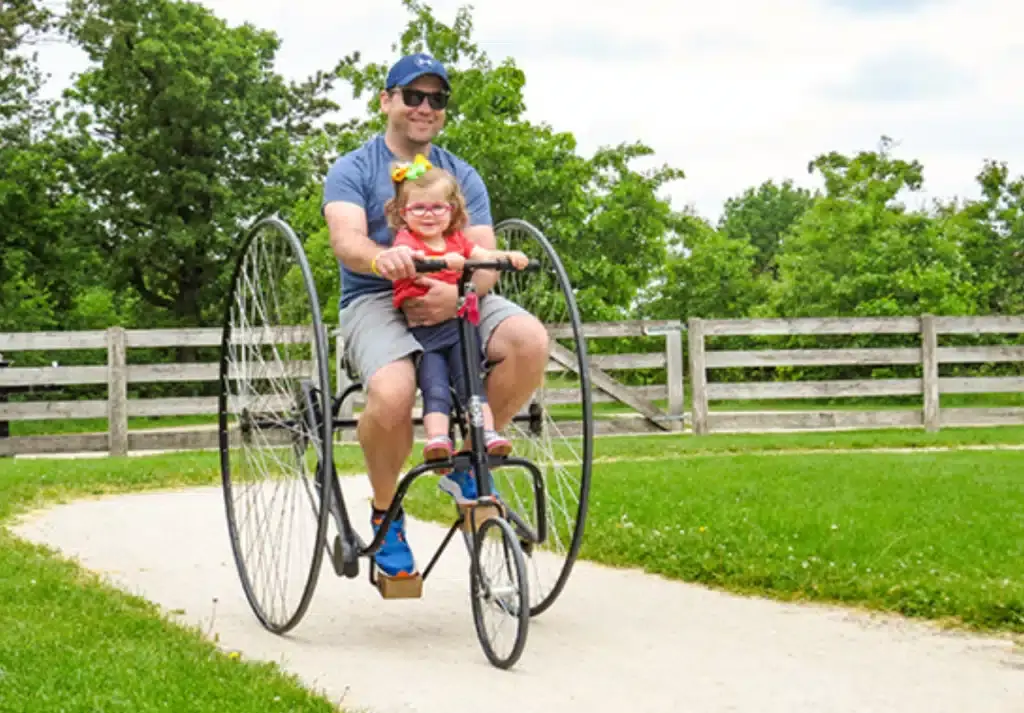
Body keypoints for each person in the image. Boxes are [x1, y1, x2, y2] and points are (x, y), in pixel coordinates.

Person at [320, 53, 549, 578]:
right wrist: (382, 259)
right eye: (413, 96)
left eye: (437, 99)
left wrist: (460, 292)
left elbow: (485, 256)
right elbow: (347, 240)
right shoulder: (353, 169)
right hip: (378, 296)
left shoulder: (459, 174)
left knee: (528, 340)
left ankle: (468, 463)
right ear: (386, 101)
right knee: (395, 392)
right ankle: (386, 513)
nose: (425, 107)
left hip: (457, 289)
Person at [384, 153, 530, 465]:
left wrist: (507, 256)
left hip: (460, 327)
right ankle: (437, 438)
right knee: (434, 384)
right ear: (403, 213)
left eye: (438, 207)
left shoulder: (457, 241)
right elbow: (404, 257)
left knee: (470, 382)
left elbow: (480, 254)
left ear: (452, 211)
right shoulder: (405, 240)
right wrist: (440, 262)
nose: (429, 214)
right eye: (418, 207)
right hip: (425, 331)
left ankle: (486, 433)